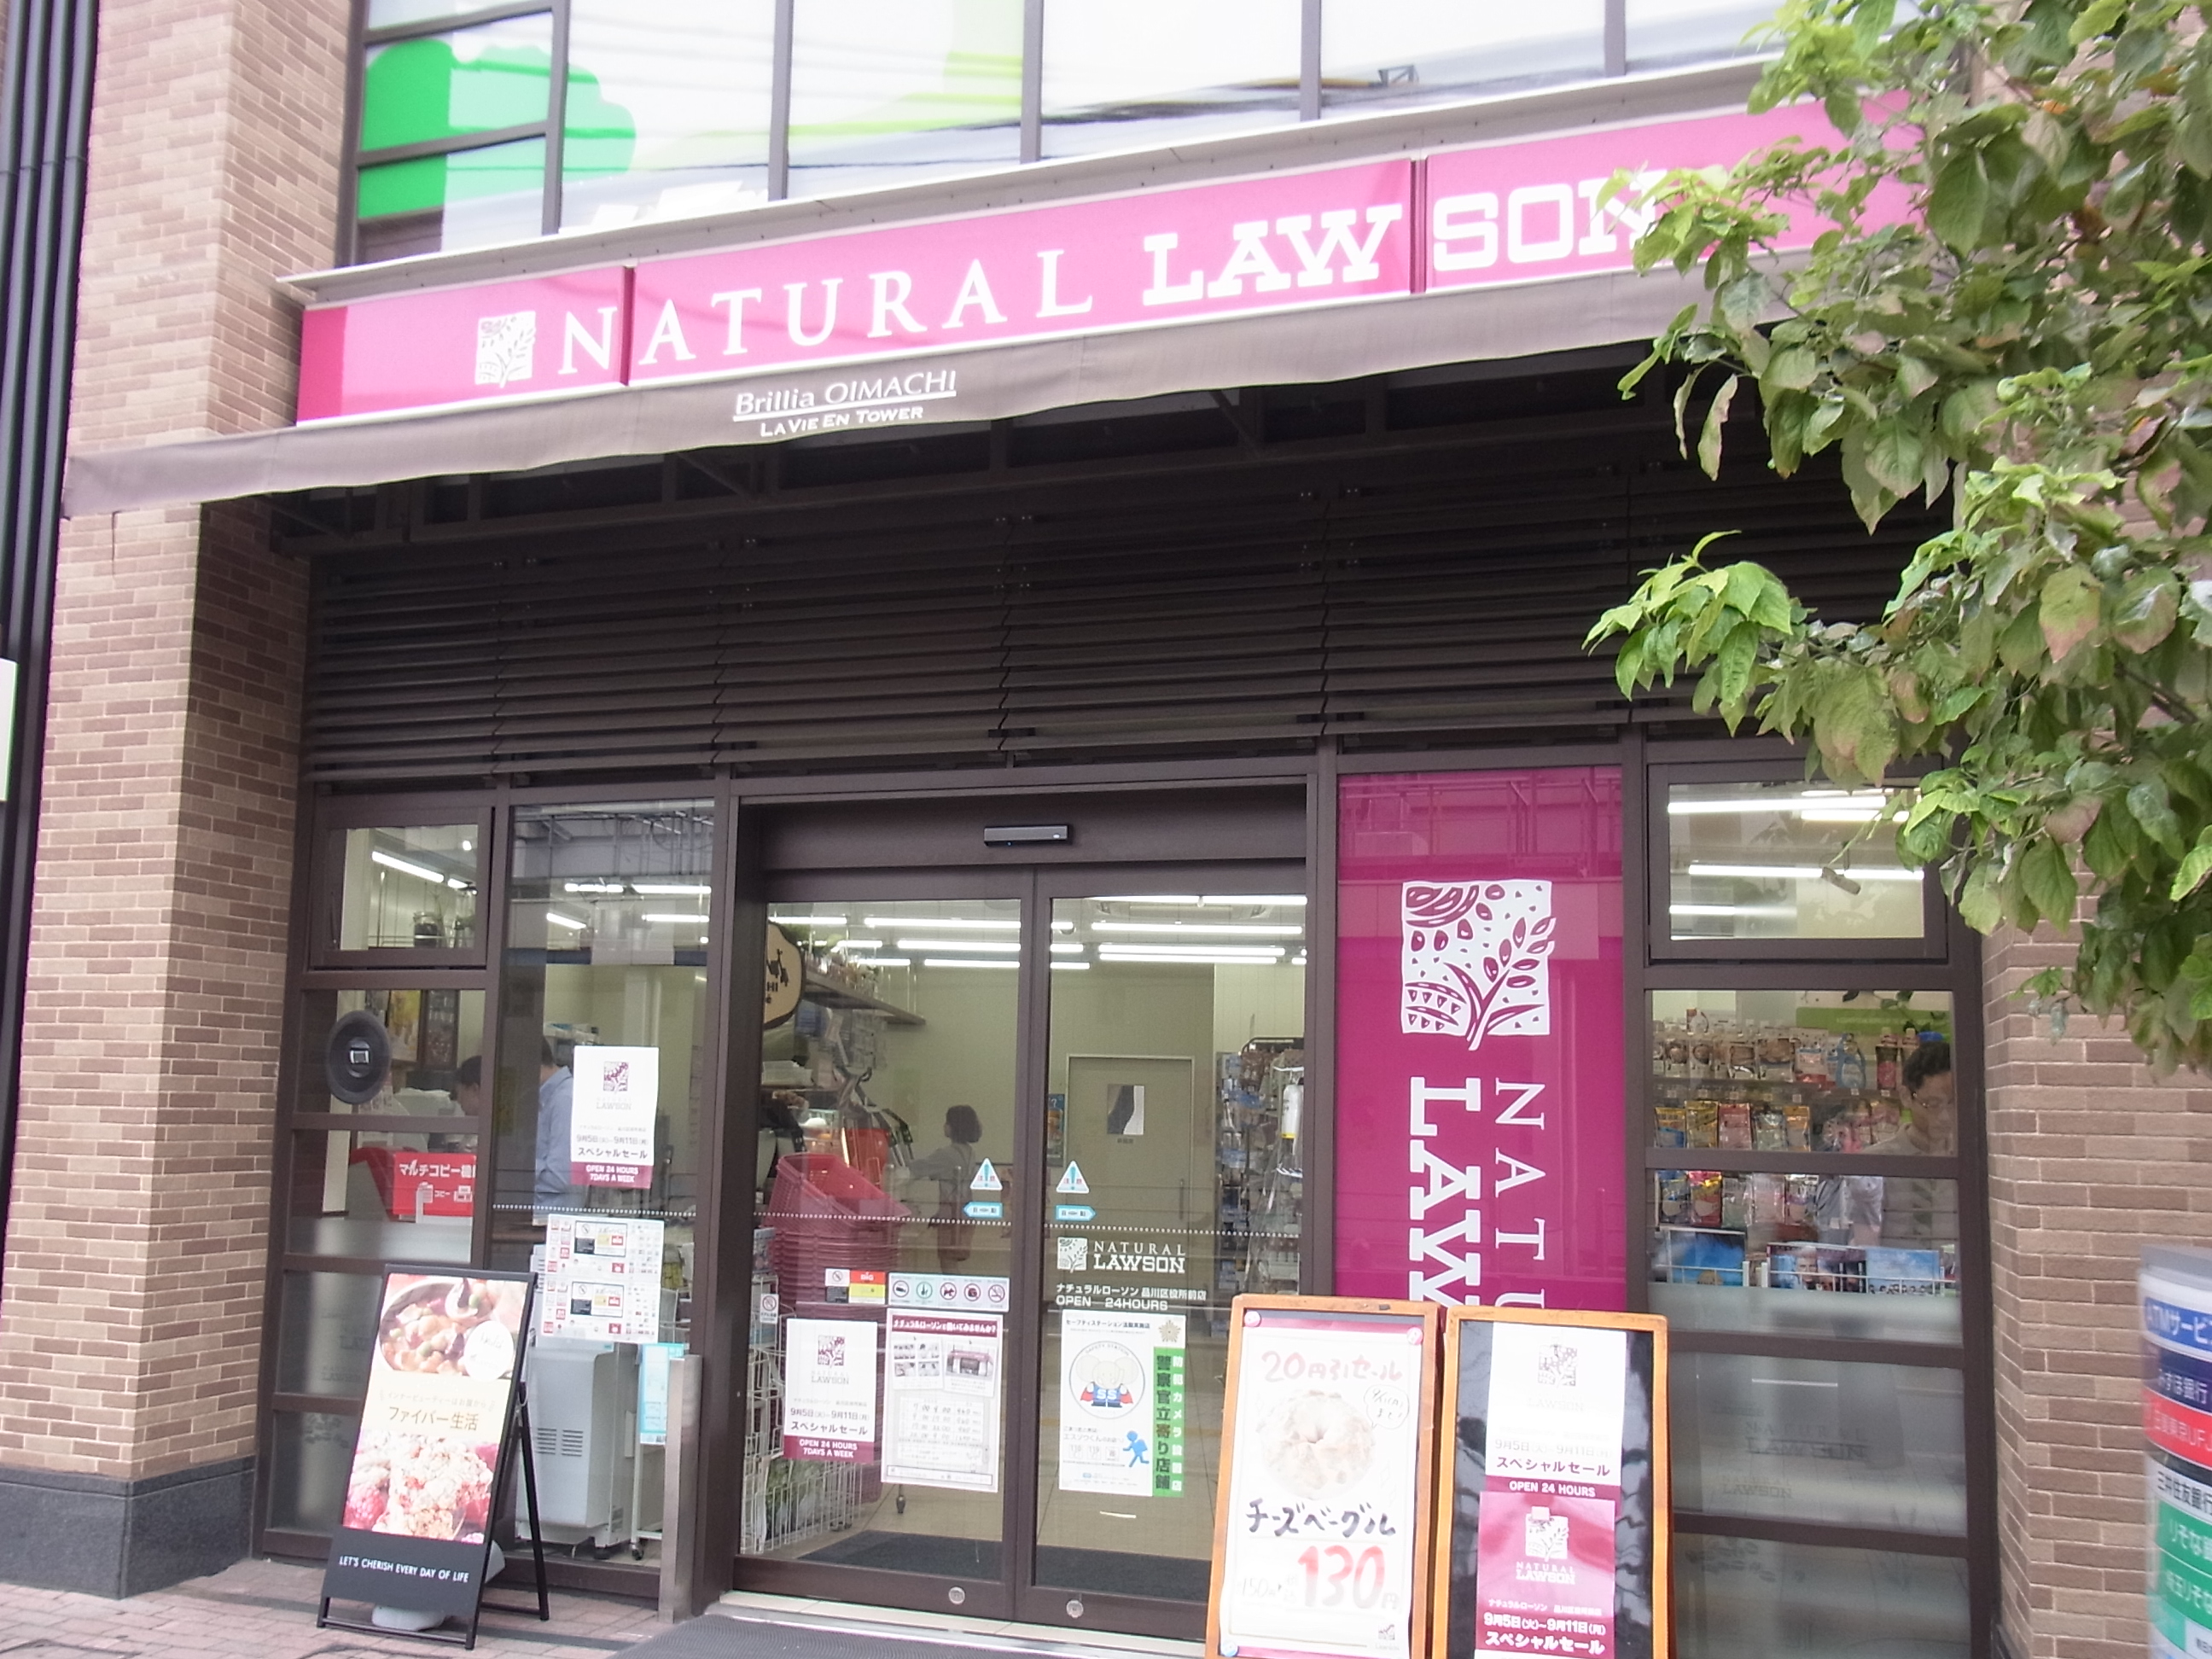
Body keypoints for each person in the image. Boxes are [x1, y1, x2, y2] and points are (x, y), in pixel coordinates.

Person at [1821, 1037, 1958, 1248]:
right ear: (1906, 1096)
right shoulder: (1874, 1164)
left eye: (1953, 1103)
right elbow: (1859, 1244)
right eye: (1933, 1104)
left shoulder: (1966, 1160)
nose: (1945, 1116)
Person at [905, 1104, 983, 1270]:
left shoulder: (946, 1154)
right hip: (966, 1215)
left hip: (951, 1217)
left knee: (948, 1265)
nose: (944, 1126)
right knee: (952, 1263)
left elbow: (916, 1169)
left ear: (954, 1126)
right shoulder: (970, 1152)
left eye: (947, 1122)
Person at [533, 1039, 577, 1216]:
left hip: (553, 1218)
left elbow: (562, 1176)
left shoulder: (565, 1099)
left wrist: (513, 1169)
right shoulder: (546, 1096)